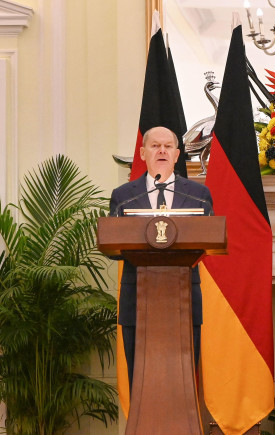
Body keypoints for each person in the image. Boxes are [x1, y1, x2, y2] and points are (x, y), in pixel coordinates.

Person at [108, 126, 213, 388]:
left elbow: (210, 240)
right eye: (155, 146)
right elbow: (113, 245)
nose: (162, 151)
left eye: (168, 147)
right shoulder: (123, 196)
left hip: (184, 300)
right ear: (143, 153)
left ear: (177, 155)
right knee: (141, 383)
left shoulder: (198, 195)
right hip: (138, 302)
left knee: (183, 382)